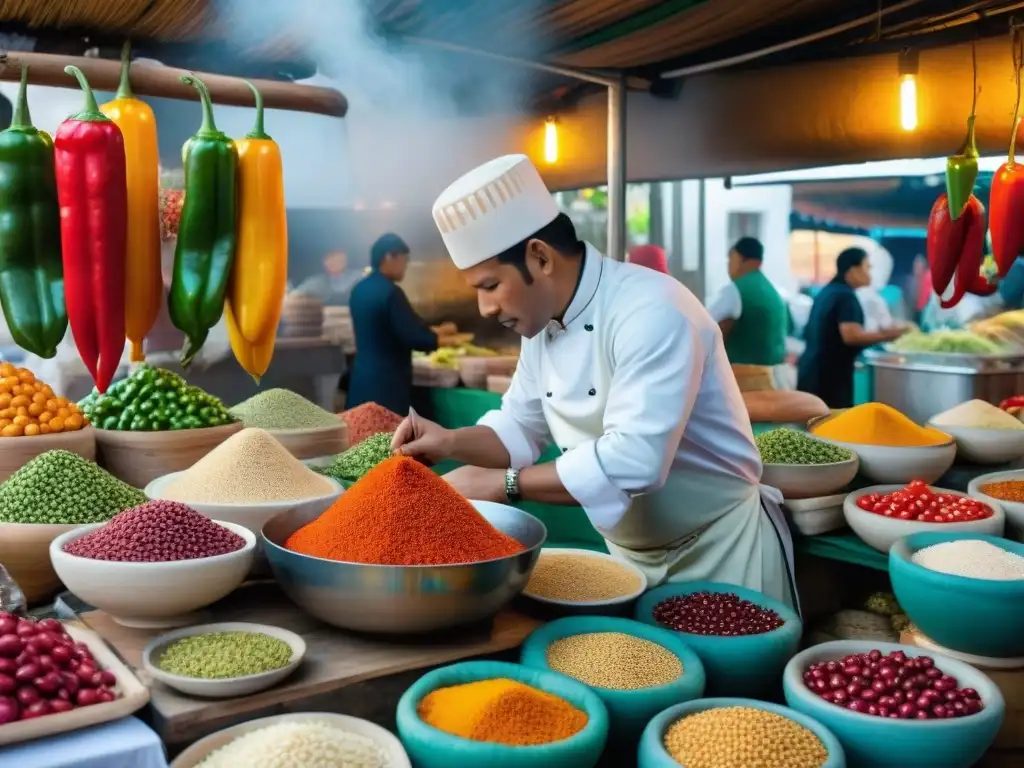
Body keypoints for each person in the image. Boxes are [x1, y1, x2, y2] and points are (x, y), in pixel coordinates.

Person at [391, 154, 797, 608]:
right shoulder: (541, 325)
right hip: (628, 558)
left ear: (539, 257)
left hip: (721, 552)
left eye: (489, 286)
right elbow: (518, 426)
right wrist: (448, 441)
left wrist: (506, 483)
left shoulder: (651, 310)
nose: (484, 307)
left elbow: (636, 460)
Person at [797, 247, 907, 408]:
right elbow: (851, 336)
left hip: (811, 373)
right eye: (867, 268)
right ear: (853, 270)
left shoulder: (827, 292)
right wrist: (891, 335)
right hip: (829, 379)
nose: (869, 274)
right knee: (830, 427)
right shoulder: (845, 296)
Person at [346, 233, 438, 414]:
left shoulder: (359, 289)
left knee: (361, 436)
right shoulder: (391, 292)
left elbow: (384, 327)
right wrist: (436, 338)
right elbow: (414, 336)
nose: (405, 267)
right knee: (387, 440)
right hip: (387, 388)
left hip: (360, 381)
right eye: (404, 261)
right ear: (390, 257)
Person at [706, 237, 790, 368]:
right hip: (772, 377)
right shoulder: (773, 292)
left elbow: (706, 327)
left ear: (739, 258)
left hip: (743, 378)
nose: (728, 266)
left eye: (730, 259)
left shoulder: (735, 290)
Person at [293, 250, 362, 305]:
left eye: (337, 256)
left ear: (345, 259)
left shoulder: (360, 277)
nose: (334, 261)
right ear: (324, 261)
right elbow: (295, 295)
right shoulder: (316, 282)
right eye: (329, 257)